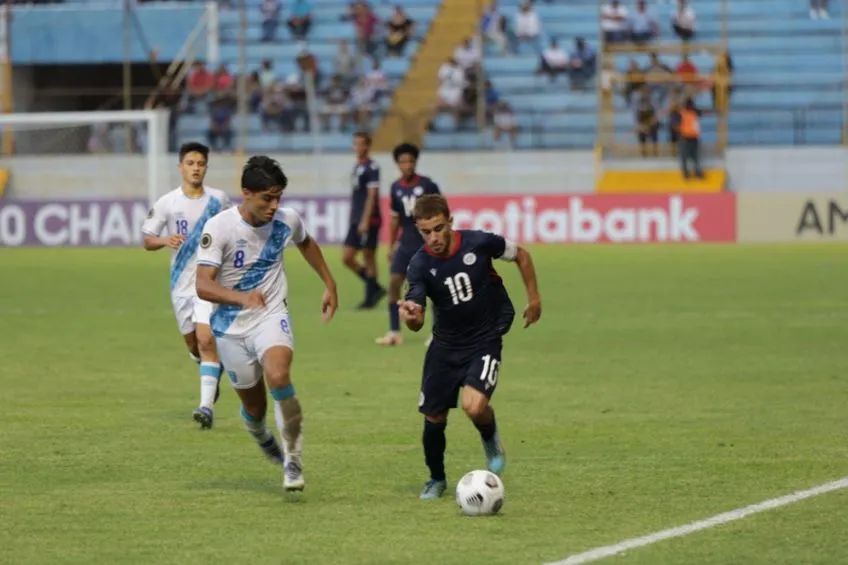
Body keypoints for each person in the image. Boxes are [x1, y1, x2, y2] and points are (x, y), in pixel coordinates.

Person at [195, 156, 338, 491]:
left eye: (279, 198)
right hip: (230, 328)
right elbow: (203, 285)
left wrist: (329, 284)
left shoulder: (287, 220)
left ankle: (292, 460)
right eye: (267, 198)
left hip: (271, 315)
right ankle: (260, 434)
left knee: (278, 374)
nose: (275, 206)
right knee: (255, 409)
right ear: (247, 193)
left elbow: (306, 244)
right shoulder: (220, 228)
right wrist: (242, 297)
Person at [397, 194, 542, 500]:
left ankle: (491, 440)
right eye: (426, 232)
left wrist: (534, 298)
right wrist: (411, 315)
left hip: (484, 340)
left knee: (473, 406)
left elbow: (522, 255)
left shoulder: (479, 242)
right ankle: (436, 479)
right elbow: (417, 319)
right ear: (418, 230)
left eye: (438, 228)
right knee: (434, 418)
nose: (433, 237)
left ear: (450, 220)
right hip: (444, 346)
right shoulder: (419, 265)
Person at [141, 142, 231, 429]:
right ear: (180, 167)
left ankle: (205, 407)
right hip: (180, 284)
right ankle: (210, 370)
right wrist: (164, 240)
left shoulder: (219, 200)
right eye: (190, 163)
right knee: (194, 345)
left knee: (206, 340)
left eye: (200, 163)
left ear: (206, 167)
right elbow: (147, 239)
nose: (195, 168)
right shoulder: (168, 202)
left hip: (208, 282)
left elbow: (234, 228)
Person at [375, 143, 441, 347]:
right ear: (397, 164)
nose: (407, 165)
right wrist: (391, 245)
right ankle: (394, 331)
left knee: (434, 288)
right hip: (405, 245)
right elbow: (395, 219)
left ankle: (437, 333)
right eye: (403, 162)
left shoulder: (428, 185)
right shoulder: (395, 188)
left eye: (411, 161)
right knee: (394, 283)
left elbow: (441, 213)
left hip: (426, 244)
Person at [342, 131, 385, 309]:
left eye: (361, 143)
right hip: (356, 218)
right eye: (356, 143)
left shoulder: (372, 167)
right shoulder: (356, 167)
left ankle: (369, 298)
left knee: (369, 256)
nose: (358, 147)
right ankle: (374, 287)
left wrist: (365, 219)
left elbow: (372, 195)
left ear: (368, 146)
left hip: (369, 218)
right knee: (347, 257)